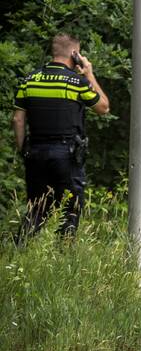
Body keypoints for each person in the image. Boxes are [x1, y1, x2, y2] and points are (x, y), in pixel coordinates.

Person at [12, 33, 110, 239]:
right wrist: (89, 74)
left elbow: (17, 120)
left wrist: (24, 151)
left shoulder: (29, 80)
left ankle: (19, 249)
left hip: (35, 152)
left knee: (36, 209)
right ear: (75, 54)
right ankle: (65, 251)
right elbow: (103, 108)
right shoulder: (76, 82)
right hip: (67, 155)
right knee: (70, 211)